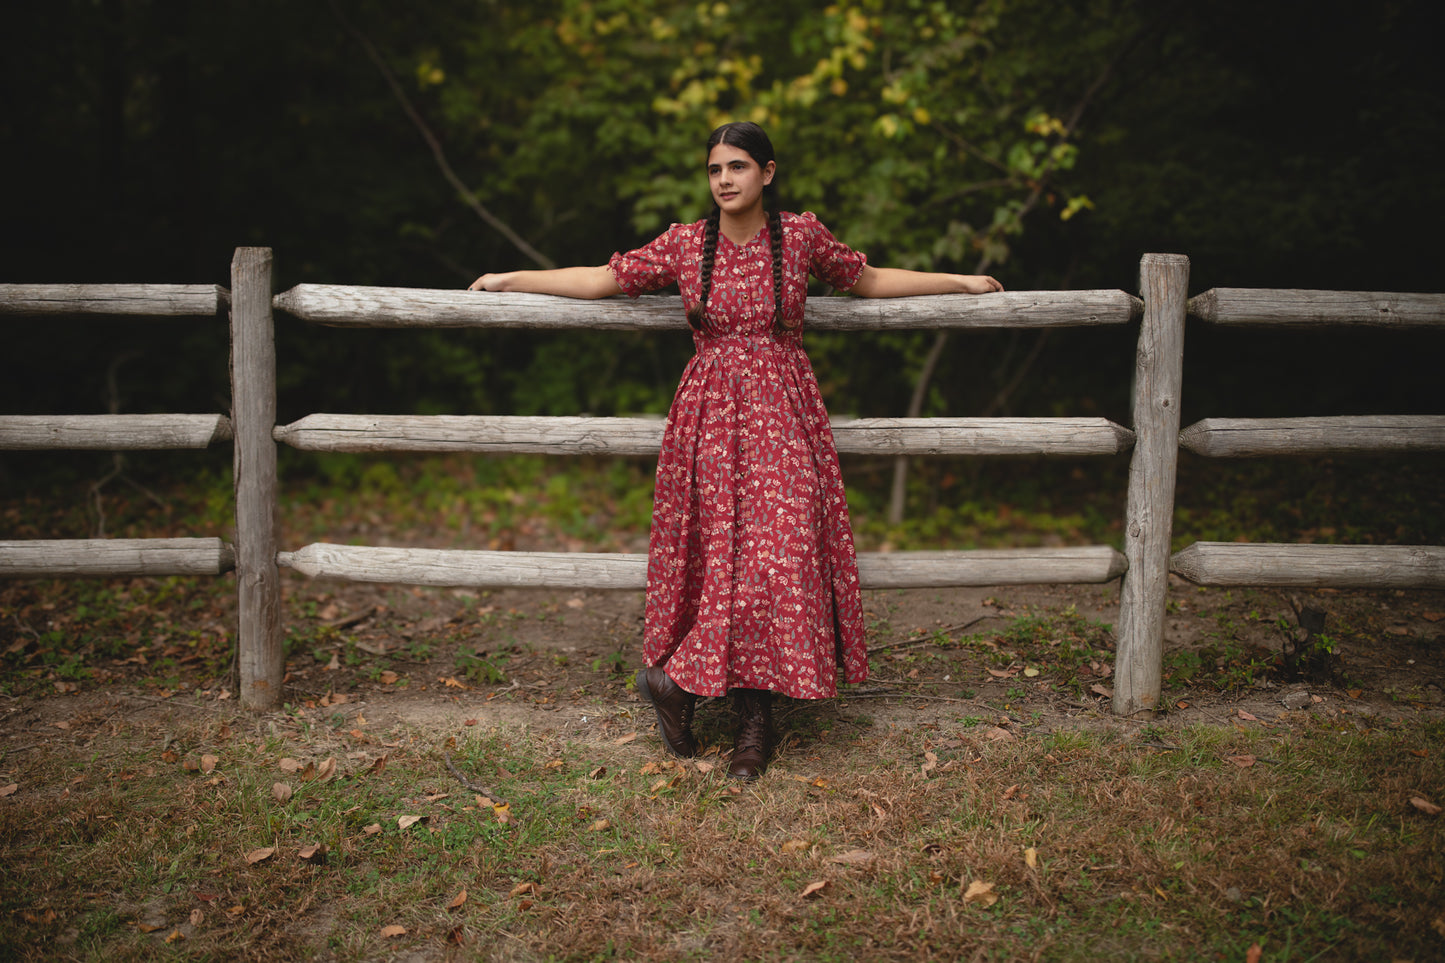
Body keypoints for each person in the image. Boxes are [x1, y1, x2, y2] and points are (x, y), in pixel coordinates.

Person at [471, 122, 1001, 780]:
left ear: (767, 173)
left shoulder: (800, 237)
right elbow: (601, 278)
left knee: (779, 556)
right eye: (715, 168)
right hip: (708, 419)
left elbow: (867, 279)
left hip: (783, 413)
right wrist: (512, 277)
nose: (724, 179)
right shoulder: (686, 244)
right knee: (716, 558)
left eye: (739, 167)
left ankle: (709, 700)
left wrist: (956, 280)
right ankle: (740, 717)